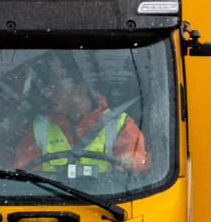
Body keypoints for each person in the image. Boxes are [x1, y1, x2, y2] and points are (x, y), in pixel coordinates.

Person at [19, 62, 148, 177]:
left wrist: (128, 159)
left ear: (81, 89)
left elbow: (135, 154)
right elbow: (24, 174)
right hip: (51, 200)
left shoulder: (120, 123)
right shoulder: (39, 127)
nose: (51, 94)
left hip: (107, 198)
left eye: (56, 87)